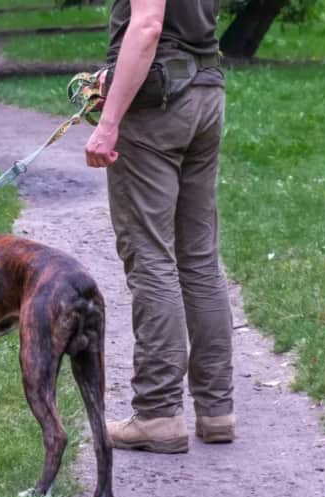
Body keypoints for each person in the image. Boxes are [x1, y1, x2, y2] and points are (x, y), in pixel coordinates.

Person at [85, 0, 235, 453]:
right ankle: (216, 409)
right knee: (199, 258)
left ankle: (158, 414)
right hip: (206, 91)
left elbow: (148, 26)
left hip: (161, 105)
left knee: (152, 258)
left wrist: (108, 123)